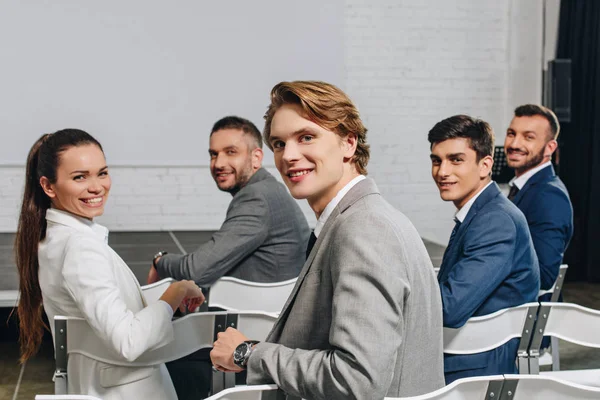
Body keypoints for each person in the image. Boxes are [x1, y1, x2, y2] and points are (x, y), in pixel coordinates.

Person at [211, 81, 445, 399]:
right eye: (279, 144)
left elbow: (356, 380)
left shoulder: (364, 229)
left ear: (348, 144)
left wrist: (248, 353)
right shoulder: (363, 218)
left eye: (306, 137)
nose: (288, 156)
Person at [15, 129, 204, 400]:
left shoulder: (53, 238)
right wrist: (176, 293)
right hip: (127, 390)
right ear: (48, 186)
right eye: (79, 177)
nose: (96, 186)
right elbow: (128, 341)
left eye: (102, 173)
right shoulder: (81, 247)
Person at [428, 115, 540, 383]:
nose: (442, 171)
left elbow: (449, 308)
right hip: (463, 356)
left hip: (475, 369)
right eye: (436, 160)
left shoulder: (495, 220)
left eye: (456, 160)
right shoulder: (482, 212)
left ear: (485, 165)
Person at [148, 116, 309, 287]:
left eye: (231, 152)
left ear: (256, 157)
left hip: (264, 308)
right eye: (213, 154)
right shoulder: (269, 188)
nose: (218, 163)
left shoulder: (256, 198)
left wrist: (160, 261)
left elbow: (196, 271)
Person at [504, 104, 573, 292]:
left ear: (550, 147)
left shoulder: (549, 196)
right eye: (511, 133)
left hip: (522, 316)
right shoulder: (523, 187)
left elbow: (543, 276)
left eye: (528, 137)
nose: (515, 144)